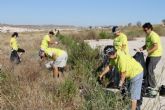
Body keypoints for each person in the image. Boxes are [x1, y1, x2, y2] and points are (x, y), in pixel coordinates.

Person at [99, 45, 143, 110]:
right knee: (129, 92)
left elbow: (123, 74)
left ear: (110, 54)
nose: (106, 56)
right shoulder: (114, 57)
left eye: (107, 55)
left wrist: (120, 85)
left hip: (136, 73)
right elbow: (110, 66)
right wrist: (101, 75)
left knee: (133, 96)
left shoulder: (121, 59)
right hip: (130, 74)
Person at [139, 22, 162, 95]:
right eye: (144, 30)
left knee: (150, 70)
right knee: (146, 69)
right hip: (150, 55)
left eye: (146, 30)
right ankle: (148, 83)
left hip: (156, 55)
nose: (145, 31)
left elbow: (156, 46)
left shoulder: (153, 35)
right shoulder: (147, 35)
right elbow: (147, 44)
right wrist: (141, 48)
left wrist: (148, 51)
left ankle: (153, 86)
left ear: (150, 29)